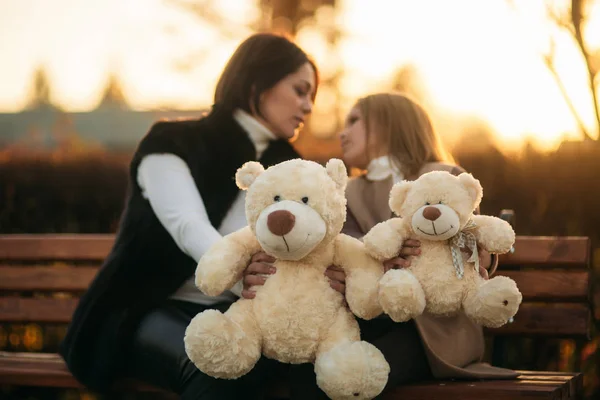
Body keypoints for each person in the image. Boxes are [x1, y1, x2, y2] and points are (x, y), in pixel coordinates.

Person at [59, 33, 325, 400]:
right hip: (145, 308)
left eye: (311, 96)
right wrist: (237, 272)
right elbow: (188, 226)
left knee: (305, 371)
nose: (308, 107)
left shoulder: (294, 170)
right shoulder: (173, 143)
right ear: (258, 83)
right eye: (300, 90)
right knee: (214, 366)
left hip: (243, 316)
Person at [246, 92, 518, 399]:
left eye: (354, 121)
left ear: (387, 123)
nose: (342, 132)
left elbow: (472, 243)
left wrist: (464, 253)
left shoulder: (440, 176)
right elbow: (333, 253)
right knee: (304, 372)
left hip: (430, 331)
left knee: (346, 377)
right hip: (364, 318)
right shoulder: (347, 191)